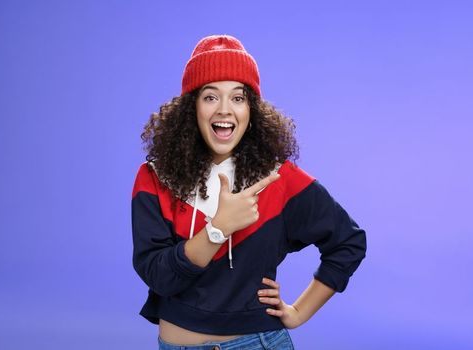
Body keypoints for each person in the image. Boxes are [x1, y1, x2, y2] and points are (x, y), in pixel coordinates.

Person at [131, 34, 366, 350]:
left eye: (238, 98)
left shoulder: (277, 179)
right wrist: (218, 229)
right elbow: (159, 277)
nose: (224, 110)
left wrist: (298, 313)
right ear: (192, 108)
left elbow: (348, 241)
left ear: (251, 111)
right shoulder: (154, 178)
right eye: (210, 97)